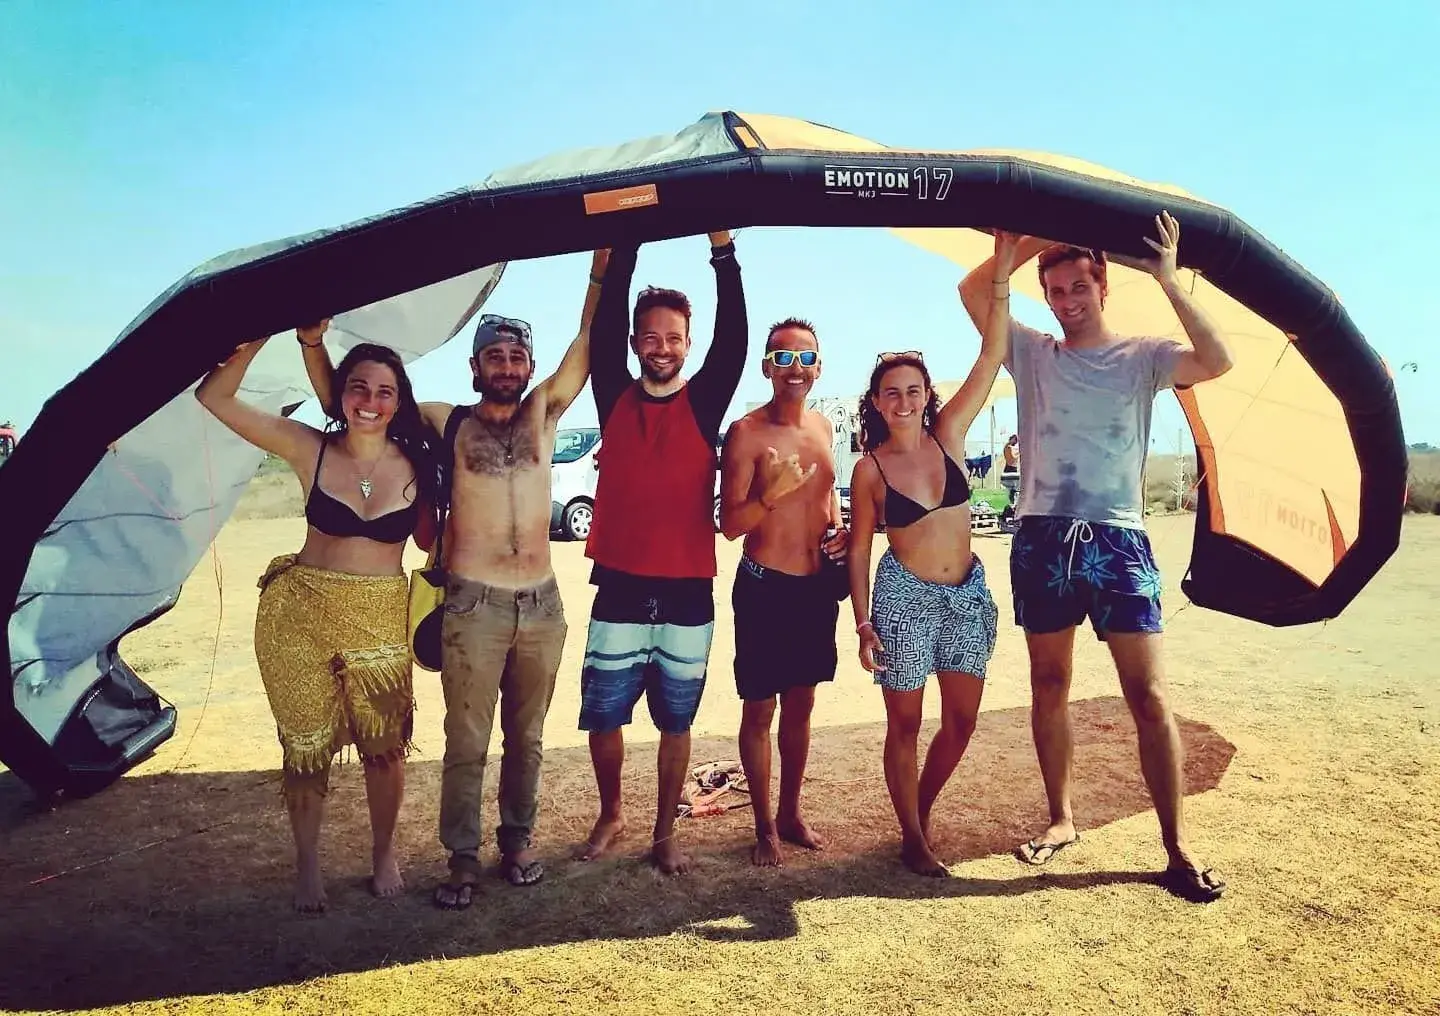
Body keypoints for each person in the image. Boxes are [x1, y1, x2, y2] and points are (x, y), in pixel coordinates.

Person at [302, 249, 611, 910]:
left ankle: (518, 842)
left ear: (528, 366)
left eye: (516, 358)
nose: (507, 367)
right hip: (473, 605)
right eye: (494, 357)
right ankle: (463, 857)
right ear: (476, 366)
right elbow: (346, 400)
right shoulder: (447, 420)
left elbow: (588, 341)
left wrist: (600, 271)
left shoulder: (544, 414)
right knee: (466, 740)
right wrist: (311, 342)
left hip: (543, 603)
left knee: (526, 738)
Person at [957, 211, 1234, 903]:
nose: (1069, 298)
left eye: (1080, 284)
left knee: (1149, 695)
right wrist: (1019, 240)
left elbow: (1218, 360)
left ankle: (1177, 846)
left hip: (1118, 539)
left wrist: (1168, 279)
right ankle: (1060, 818)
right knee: (1049, 685)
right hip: (1045, 535)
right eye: (1056, 289)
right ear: (1045, 295)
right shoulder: (1031, 351)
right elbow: (970, 293)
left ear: (1102, 284)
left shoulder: (1143, 356)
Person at [196, 335, 434, 912]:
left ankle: (383, 854)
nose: (371, 401)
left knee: (385, 748)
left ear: (399, 401)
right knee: (304, 748)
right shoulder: (312, 450)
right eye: (359, 388)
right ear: (341, 395)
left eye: (384, 391)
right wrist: (252, 342)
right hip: (297, 615)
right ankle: (308, 867)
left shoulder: (422, 463)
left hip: (378, 614)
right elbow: (215, 397)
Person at [847, 232, 1021, 877]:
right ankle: (915, 837)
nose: (903, 401)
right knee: (905, 723)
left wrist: (1002, 269)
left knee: (964, 719)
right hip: (904, 599)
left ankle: (916, 809)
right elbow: (860, 549)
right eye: (891, 392)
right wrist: (863, 624)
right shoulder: (871, 470)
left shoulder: (950, 437)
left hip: (968, 595)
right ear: (876, 402)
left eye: (913, 390)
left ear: (927, 395)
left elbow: (993, 350)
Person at [576, 230, 747, 875]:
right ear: (633, 343)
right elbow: (604, 321)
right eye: (650, 337)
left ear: (687, 343)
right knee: (606, 714)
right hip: (618, 580)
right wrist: (625, 244)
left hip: (685, 589)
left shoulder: (705, 402)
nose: (662, 348)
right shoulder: (612, 392)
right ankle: (611, 812)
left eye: (674, 338)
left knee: (677, 721)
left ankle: (661, 830)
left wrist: (722, 251)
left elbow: (733, 340)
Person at [717, 317, 850, 867]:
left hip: (815, 590)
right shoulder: (746, 433)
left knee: (803, 706)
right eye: (783, 357)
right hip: (765, 588)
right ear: (767, 367)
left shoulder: (824, 428)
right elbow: (730, 524)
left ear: (818, 368)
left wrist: (841, 532)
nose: (795, 368)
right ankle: (765, 826)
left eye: (805, 358)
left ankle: (792, 812)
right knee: (760, 709)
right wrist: (769, 494)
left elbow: (828, 502)